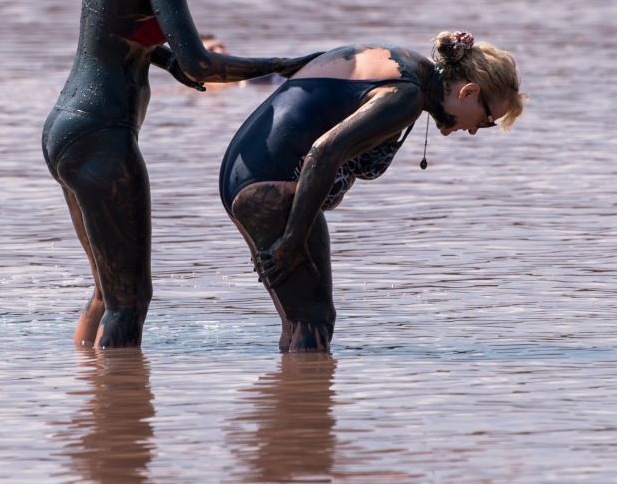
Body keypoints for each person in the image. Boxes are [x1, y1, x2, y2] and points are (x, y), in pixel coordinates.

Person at [43, 0, 320, 349]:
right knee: (130, 302)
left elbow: (123, 31)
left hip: (71, 129)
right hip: (102, 138)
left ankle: (89, 398)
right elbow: (203, 63)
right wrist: (288, 67)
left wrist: (168, 62)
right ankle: (119, 427)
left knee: (109, 291)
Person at [219, 31, 525, 353]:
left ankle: (292, 394)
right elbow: (322, 154)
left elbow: (305, 73)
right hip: (266, 185)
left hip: (263, 180)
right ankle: (300, 398)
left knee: (312, 319)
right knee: (312, 320)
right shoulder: (407, 95)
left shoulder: (407, 68)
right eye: (488, 119)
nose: (476, 130)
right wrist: (291, 243)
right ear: (469, 91)